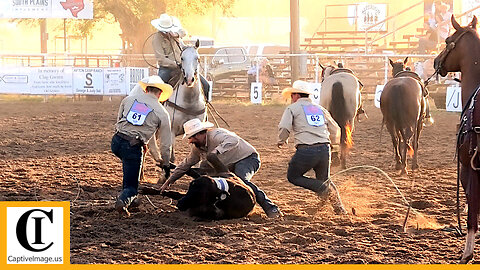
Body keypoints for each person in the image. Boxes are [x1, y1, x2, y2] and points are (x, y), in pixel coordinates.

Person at [160, 118, 282, 218]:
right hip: (226, 166)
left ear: (201, 134)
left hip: (247, 158)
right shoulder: (197, 148)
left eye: (192, 137)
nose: (191, 141)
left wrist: (216, 152)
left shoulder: (216, 135)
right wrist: (170, 181)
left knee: (241, 181)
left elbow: (234, 140)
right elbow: (185, 164)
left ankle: (271, 208)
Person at [277, 80, 346, 214]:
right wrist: (334, 145)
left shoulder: (292, 108)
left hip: (306, 150)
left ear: (296, 95)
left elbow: (284, 127)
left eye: (292, 95)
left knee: (293, 176)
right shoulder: (320, 109)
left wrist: (281, 140)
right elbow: (335, 128)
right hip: (325, 150)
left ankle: (323, 190)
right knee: (325, 179)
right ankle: (339, 208)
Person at [111, 75, 173, 215]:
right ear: (160, 93)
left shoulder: (129, 99)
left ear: (146, 90)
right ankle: (125, 199)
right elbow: (165, 144)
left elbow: (119, 120)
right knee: (132, 186)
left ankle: (133, 201)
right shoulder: (162, 112)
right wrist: (166, 163)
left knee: (129, 171)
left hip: (116, 141)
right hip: (132, 147)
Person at [151, 13, 210, 98]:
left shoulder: (174, 32)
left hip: (183, 66)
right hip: (167, 69)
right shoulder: (156, 39)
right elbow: (161, 59)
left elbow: (184, 31)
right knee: (159, 89)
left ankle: (205, 105)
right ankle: (158, 108)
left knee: (206, 85)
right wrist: (175, 64)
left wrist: (177, 34)